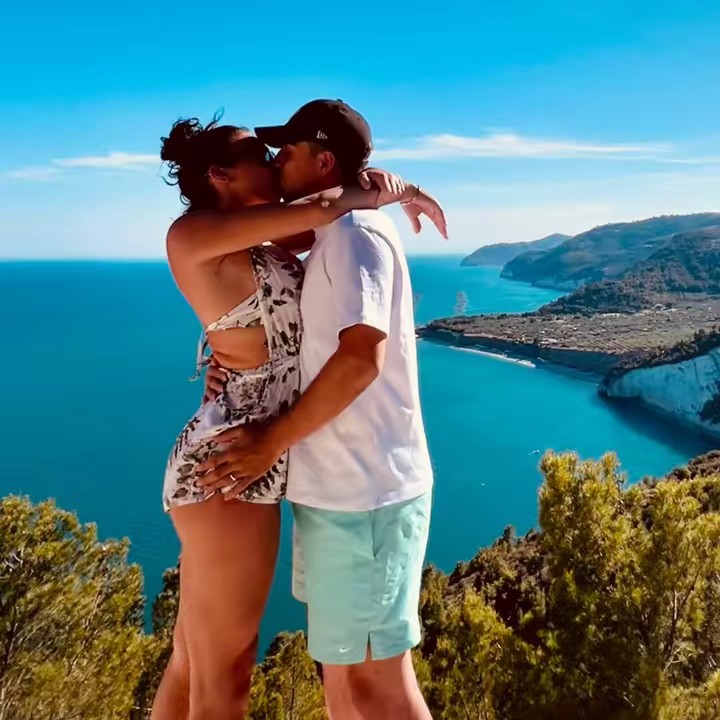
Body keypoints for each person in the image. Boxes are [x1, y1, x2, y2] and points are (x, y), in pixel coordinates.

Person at [153, 105, 445, 720]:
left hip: (254, 456)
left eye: (279, 153)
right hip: (230, 466)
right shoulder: (191, 234)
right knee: (227, 670)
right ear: (220, 175)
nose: (272, 162)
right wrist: (394, 188)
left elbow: (332, 215)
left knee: (192, 658)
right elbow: (325, 205)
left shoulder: (270, 238)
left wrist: (379, 182)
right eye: (259, 156)